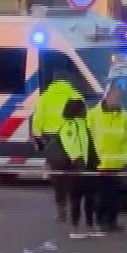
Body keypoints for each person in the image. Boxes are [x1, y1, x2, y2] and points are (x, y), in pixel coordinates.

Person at [32, 72, 85, 223]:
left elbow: (37, 119)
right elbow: (83, 117)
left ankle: (61, 210)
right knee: (73, 174)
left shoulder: (46, 97)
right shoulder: (75, 94)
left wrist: (38, 137)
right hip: (71, 136)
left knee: (58, 177)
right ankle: (75, 206)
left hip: (52, 139)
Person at [88, 84, 127, 233]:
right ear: (107, 97)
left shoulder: (124, 116)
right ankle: (101, 220)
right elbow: (87, 138)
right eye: (115, 97)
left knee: (115, 196)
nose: (117, 100)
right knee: (102, 196)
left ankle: (113, 221)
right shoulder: (93, 115)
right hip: (99, 164)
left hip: (116, 164)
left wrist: (125, 158)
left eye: (119, 97)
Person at [48, 97, 95, 234]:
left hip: (86, 167)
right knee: (76, 198)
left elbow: (88, 144)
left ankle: (89, 225)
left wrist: (93, 160)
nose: (86, 111)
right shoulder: (68, 126)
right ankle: (75, 227)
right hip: (73, 168)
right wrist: (78, 161)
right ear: (77, 110)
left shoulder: (84, 124)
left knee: (90, 197)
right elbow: (71, 146)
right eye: (83, 108)